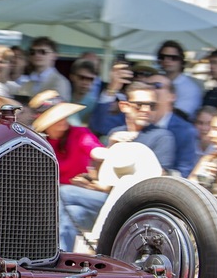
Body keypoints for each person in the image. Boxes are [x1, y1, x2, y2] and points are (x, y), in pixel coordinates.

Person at [57, 82, 174, 250]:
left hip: (137, 204)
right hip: (107, 202)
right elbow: (103, 176)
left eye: (151, 105)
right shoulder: (116, 133)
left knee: (62, 192)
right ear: (124, 106)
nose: (146, 110)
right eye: (139, 105)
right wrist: (110, 146)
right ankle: (62, 259)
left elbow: (158, 177)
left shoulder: (162, 136)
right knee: (73, 213)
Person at [29, 91, 99, 184]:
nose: (63, 119)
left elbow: (95, 149)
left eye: (63, 114)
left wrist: (110, 152)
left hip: (79, 192)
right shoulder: (35, 143)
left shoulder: (79, 133)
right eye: (56, 117)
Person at [156, 40, 203, 118]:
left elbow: (181, 115)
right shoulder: (156, 82)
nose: (167, 60)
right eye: (162, 57)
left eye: (173, 58)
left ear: (181, 61)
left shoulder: (190, 88)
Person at [16, 38, 70, 103]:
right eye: (32, 52)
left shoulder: (60, 82)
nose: (37, 55)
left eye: (42, 52)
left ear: (54, 55)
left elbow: (59, 108)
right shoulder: (27, 83)